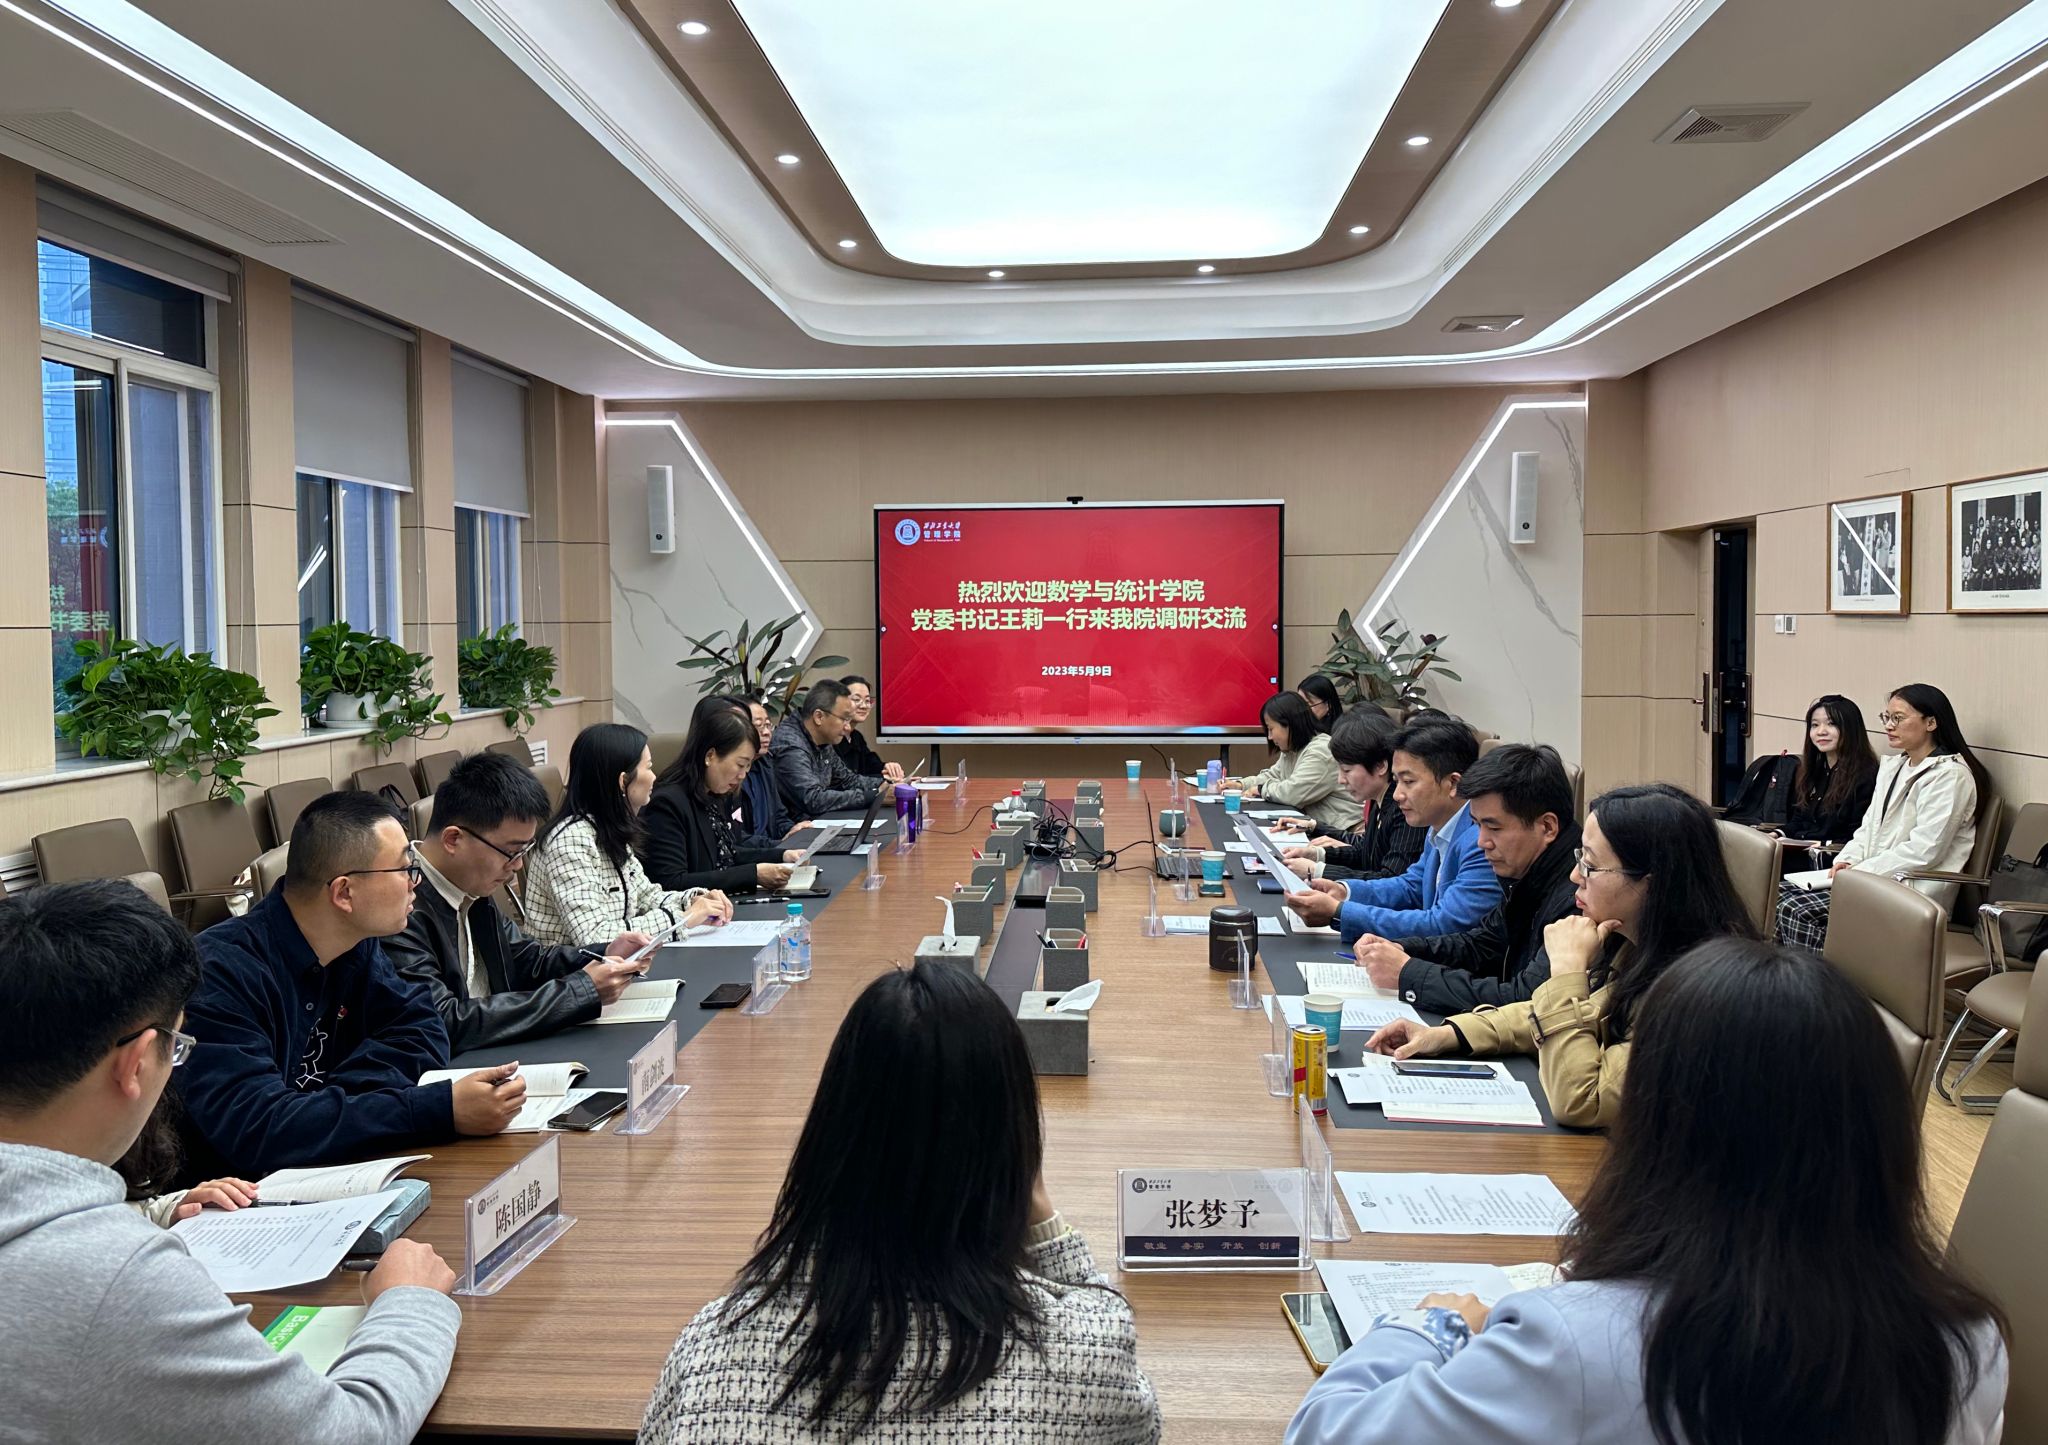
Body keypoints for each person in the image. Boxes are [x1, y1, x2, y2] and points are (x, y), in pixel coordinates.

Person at [1289, 938, 2007, 1445]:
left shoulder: (1576, 1342)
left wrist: (1431, 1327)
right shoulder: (1969, 1342)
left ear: (1661, 1119)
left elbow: (1326, 1430)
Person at [0, 878, 464, 1444]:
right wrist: (410, 1302)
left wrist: (157, 1209)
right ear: (137, 1061)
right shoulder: (117, 1278)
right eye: (176, 1048)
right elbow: (351, 1434)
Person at [639, 961, 1160, 1443]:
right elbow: (1141, 1426)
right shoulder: (1080, 1358)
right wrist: (1047, 1224)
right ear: (1012, 1149)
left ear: (829, 1133)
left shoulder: (709, 1350)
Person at [1365, 783, 1757, 1128]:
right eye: (1579, 859)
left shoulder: (1703, 987)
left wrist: (1568, 971)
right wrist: (1450, 1034)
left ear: (1651, 884)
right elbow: (1557, 1012)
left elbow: (1582, 1100)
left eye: (1591, 865)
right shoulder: (1636, 944)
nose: (1575, 877)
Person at [180, 791, 527, 1179]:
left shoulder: (354, 942)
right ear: (344, 892)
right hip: (233, 1197)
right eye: (404, 869)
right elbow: (259, 1131)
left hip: (330, 1172)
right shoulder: (220, 972)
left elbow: (423, 1029)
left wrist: (330, 1108)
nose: (415, 883)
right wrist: (433, 1110)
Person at [386, 752, 660, 1053]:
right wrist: (581, 991)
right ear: (453, 839)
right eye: (511, 851)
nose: (517, 866)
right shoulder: (399, 908)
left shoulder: (470, 886)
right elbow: (444, 1021)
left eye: (523, 851)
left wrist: (604, 954)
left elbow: (526, 960)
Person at [1353, 744, 1581, 1015]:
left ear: (1547, 827)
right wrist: (1403, 948)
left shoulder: (1578, 897)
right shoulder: (1527, 872)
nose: (1482, 841)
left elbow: (1525, 999)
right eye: (1477, 824)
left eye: (1494, 827)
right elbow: (1482, 944)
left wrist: (1407, 973)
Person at [1775, 682, 1986, 951]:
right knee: (1778, 895)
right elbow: (1868, 828)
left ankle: (1821, 978)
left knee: (1796, 909)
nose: (1889, 726)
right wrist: (1848, 860)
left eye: (1898, 718)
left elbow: (1925, 850)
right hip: (1873, 879)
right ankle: (1783, 976)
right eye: (1886, 717)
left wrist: (1859, 873)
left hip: (1911, 892)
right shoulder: (1895, 767)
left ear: (1931, 723)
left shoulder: (1950, 776)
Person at [1281, 718, 1502, 944]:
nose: (1397, 795)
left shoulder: (1481, 842)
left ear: (1453, 783)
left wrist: (1340, 911)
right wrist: (1344, 891)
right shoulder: (1439, 824)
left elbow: (1443, 925)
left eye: (1409, 781)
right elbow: (1411, 886)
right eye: (1397, 781)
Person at [522, 722, 733, 947]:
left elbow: (646, 896)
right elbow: (594, 937)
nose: (654, 777)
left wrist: (694, 900)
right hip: (574, 967)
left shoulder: (608, 828)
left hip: (615, 965)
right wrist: (682, 919)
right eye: (648, 767)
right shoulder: (570, 841)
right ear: (623, 781)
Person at [643, 705, 805, 894]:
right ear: (710, 756)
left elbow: (727, 853)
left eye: (748, 766)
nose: (743, 775)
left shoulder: (712, 794)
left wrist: (782, 856)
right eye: (740, 764)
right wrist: (753, 875)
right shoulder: (667, 803)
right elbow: (671, 882)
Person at [1278, 709, 1428, 882]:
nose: (1341, 780)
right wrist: (1317, 854)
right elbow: (1366, 852)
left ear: (1380, 766)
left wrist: (1317, 871)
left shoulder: (1403, 807)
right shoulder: (1379, 799)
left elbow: (1391, 880)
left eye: (1347, 770)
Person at [770, 678, 897, 818]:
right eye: (844, 719)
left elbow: (848, 780)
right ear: (819, 717)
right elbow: (812, 799)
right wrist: (875, 795)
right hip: (794, 827)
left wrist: (890, 784)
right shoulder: (790, 743)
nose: (847, 727)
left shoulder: (822, 740)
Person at [1235, 692, 1362, 833]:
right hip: (1323, 829)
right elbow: (1274, 775)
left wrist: (1260, 789)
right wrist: (1240, 785)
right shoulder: (1293, 749)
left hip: (1347, 833)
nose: (1270, 737)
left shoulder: (1320, 751)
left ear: (1289, 724)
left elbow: (1292, 793)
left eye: (1271, 729)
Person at [1782, 693, 1880, 846]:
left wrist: (1817, 845)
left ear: (1851, 728)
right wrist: (1778, 833)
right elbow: (1799, 819)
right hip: (1801, 847)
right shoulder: (1813, 769)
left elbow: (1857, 836)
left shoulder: (1866, 775)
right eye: (1815, 725)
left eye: (1831, 724)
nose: (1821, 731)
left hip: (1832, 854)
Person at [738, 694, 805, 841]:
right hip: (756, 852)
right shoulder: (732, 775)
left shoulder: (766, 763)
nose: (767, 732)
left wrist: (793, 831)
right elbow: (738, 838)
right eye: (758, 726)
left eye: (768, 725)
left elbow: (779, 817)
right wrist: (776, 846)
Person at [834, 675, 892, 779]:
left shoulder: (856, 737)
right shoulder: (829, 737)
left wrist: (888, 768)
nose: (864, 706)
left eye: (867, 701)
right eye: (857, 699)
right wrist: (884, 780)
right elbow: (844, 781)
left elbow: (871, 766)